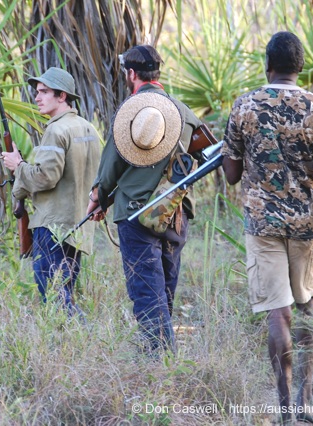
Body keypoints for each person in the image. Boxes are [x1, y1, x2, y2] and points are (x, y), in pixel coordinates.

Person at [222, 32, 313, 424]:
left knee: (278, 316)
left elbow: (230, 174)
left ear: (267, 64)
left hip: (263, 224)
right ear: (301, 66)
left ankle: (283, 409)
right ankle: (305, 401)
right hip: (307, 225)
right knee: (308, 306)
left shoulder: (245, 105)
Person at [87, 45, 202, 354]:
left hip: (136, 214)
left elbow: (111, 167)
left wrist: (98, 198)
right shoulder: (185, 112)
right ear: (158, 74)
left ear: (132, 74)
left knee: (146, 291)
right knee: (164, 290)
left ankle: (160, 364)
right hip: (174, 214)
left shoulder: (131, 111)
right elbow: (201, 157)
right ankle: (165, 359)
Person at [2, 67, 101, 319]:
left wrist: (18, 166)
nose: (37, 97)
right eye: (37, 92)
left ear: (62, 96)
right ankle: (75, 345)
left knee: (55, 298)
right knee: (64, 290)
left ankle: (79, 338)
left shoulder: (56, 131)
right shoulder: (88, 128)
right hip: (77, 225)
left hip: (53, 226)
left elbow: (46, 177)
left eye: (44, 92)